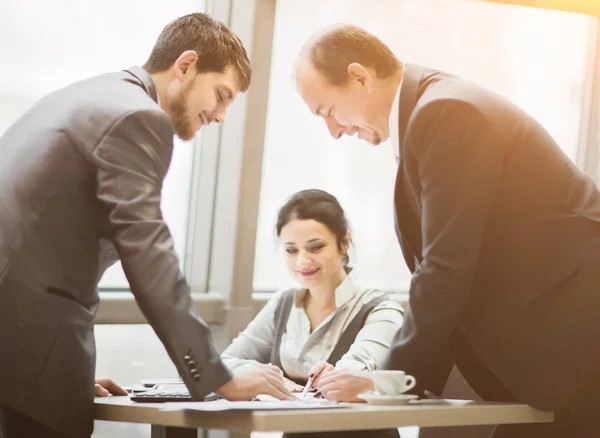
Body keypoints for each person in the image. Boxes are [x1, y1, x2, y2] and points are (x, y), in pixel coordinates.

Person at [293, 24, 600, 437]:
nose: (333, 130)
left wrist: (386, 382)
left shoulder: (447, 112)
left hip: (578, 348)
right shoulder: (431, 113)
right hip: (552, 357)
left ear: (359, 77)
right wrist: (399, 383)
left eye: (328, 110)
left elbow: (445, 267)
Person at [0, 13, 292, 438]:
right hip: (25, 347)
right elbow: (148, 253)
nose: (222, 115)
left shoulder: (87, 96)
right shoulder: (138, 117)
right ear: (186, 65)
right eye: (221, 95)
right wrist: (218, 378)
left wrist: (59, 372)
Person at [222, 189, 404, 438]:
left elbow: (354, 370)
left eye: (316, 247)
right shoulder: (282, 304)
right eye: (291, 250)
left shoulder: (380, 309)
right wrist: (266, 376)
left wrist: (334, 378)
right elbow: (224, 363)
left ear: (344, 243)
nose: (302, 262)